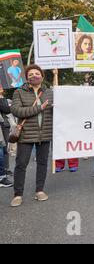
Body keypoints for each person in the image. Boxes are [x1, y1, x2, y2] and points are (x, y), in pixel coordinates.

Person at [10, 65, 53, 207]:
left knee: (42, 163)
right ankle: (18, 194)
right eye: (30, 74)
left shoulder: (49, 92)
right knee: (21, 164)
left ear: (42, 76)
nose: (34, 76)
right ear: (26, 77)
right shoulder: (19, 92)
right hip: (26, 134)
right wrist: (39, 108)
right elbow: (17, 111)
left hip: (45, 134)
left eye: (37, 73)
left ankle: (40, 190)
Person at [0, 89, 12, 177]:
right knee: (3, 148)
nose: (2, 88)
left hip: (5, 125)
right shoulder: (2, 99)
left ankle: (6, 168)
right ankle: (4, 169)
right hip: (2, 125)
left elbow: (7, 109)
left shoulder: (3, 98)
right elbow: (6, 109)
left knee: (5, 148)